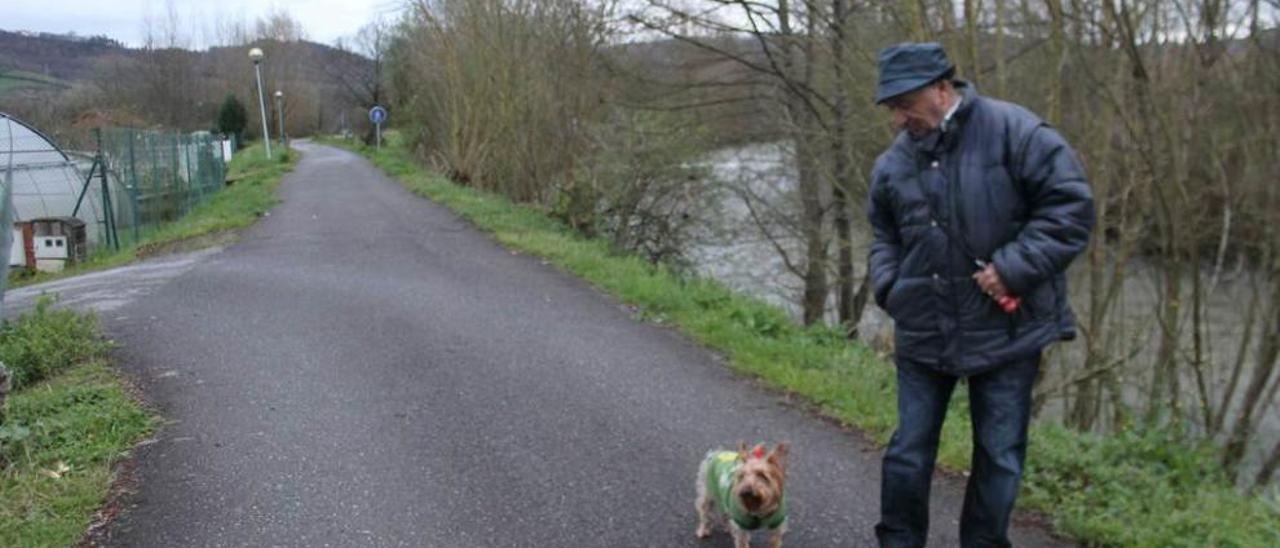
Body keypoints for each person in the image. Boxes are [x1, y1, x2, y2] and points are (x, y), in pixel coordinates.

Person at [866, 42, 1095, 547]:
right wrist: (890, 288)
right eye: (893, 109)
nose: (899, 118)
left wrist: (1012, 269)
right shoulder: (892, 165)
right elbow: (882, 234)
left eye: (906, 104)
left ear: (943, 89)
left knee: (999, 454)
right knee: (908, 452)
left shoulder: (1018, 133)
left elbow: (1071, 209)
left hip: (1006, 330)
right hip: (923, 326)